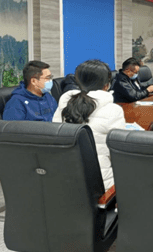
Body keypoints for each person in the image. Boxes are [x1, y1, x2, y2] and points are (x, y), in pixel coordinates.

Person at [53, 60, 125, 189]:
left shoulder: (65, 103)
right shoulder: (113, 110)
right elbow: (119, 153)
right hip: (102, 182)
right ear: (107, 85)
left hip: (65, 176)